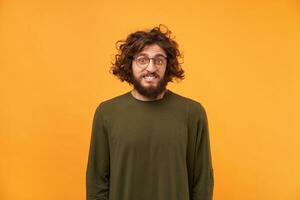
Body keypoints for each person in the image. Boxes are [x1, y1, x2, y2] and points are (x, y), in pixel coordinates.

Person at [86, 24, 214, 200]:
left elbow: (202, 182)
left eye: (159, 60)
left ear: (168, 66)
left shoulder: (192, 113)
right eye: (142, 60)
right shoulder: (107, 113)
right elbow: (97, 182)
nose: (151, 68)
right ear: (129, 64)